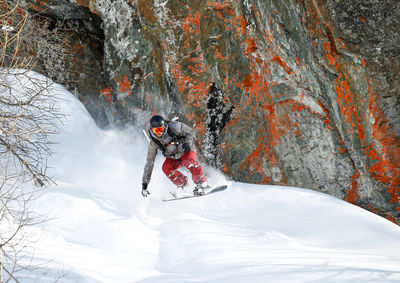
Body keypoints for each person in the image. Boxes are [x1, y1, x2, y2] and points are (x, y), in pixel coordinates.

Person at [141, 115, 209, 197]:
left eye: (161, 129)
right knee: (166, 167)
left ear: (164, 126)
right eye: (156, 130)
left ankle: (201, 183)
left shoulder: (174, 126)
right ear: (152, 130)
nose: (159, 132)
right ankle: (182, 184)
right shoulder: (154, 143)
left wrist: (187, 144)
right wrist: (145, 183)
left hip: (186, 150)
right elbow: (149, 163)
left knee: (187, 160)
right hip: (174, 156)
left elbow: (191, 132)